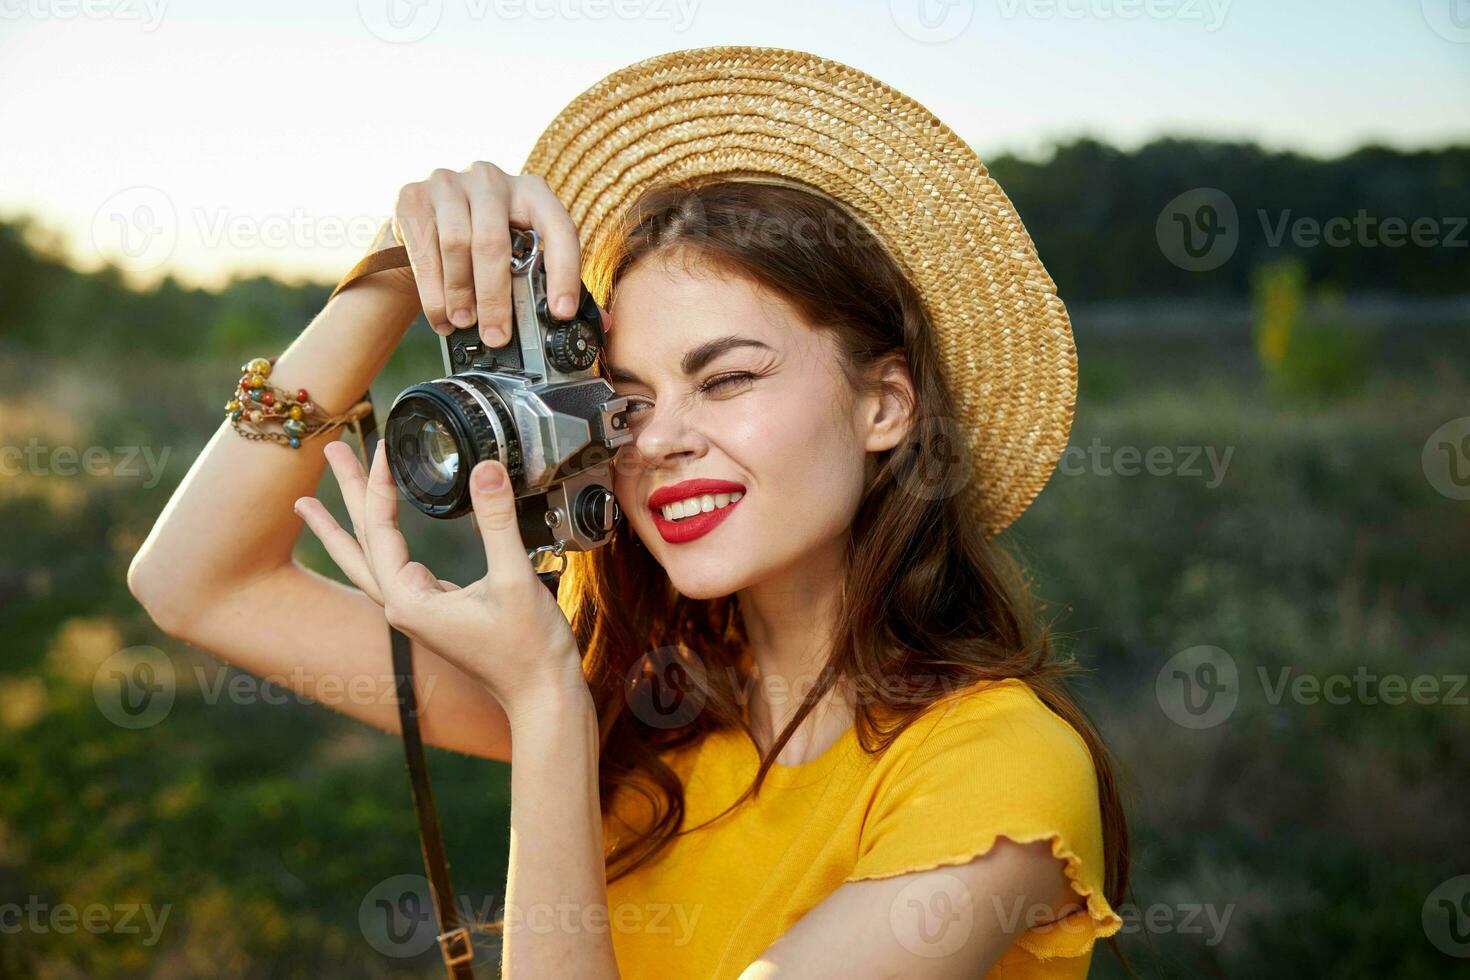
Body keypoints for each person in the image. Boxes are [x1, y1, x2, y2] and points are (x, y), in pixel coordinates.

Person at [129, 47, 1129, 978]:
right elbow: (196, 581)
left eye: (728, 378)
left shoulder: (998, 772)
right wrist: (395, 272)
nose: (655, 440)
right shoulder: (645, 691)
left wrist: (549, 714)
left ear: (885, 404)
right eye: (628, 400)